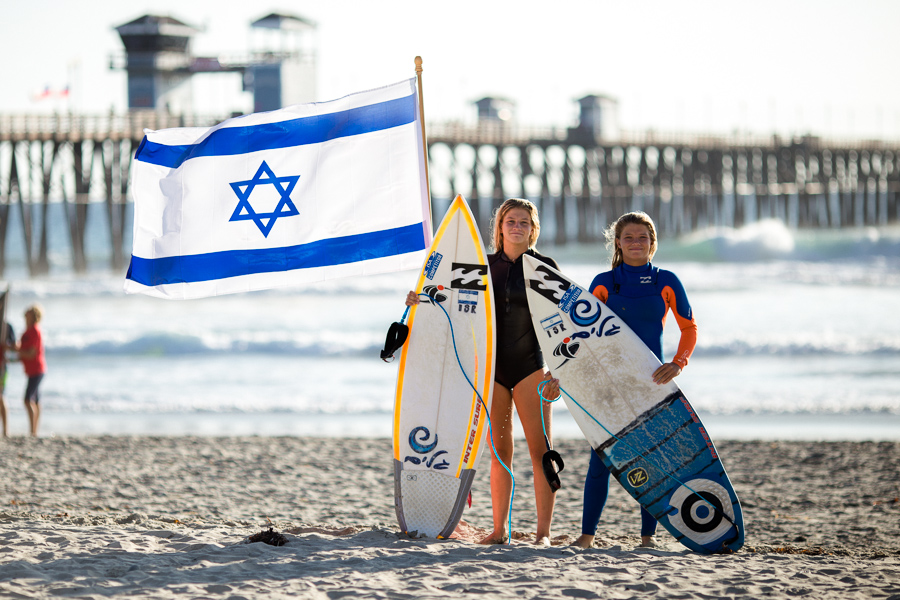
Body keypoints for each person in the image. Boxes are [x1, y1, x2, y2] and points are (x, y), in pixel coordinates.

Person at [405, 198, 560, 545]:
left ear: (533, 230)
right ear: (499, 227)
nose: (517, 227)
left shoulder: (543, 267)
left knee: (541, 451)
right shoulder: (483, 266)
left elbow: (559, 323)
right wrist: (420, 299)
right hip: (492, 370)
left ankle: (543, 534)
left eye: (524, 222)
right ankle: (499, 530)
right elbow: (447, 298)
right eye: (511, 221)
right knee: (499, 452)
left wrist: (559, 373)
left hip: (531, 368)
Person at [573, 211, 697, 549]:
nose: (635, 243)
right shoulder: (604, 282)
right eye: (628, 237)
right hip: (609, 381)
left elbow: (689, 328)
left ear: (653, 243)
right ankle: (586, 536)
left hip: (652, 382)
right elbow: (582, 335)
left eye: (642, 237)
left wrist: (678, 363)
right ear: (618, 242)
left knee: (652, 457)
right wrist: (563, 374)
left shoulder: (666, 281)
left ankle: (647, 538)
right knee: (600, 458)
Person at [16, 305, 46, 437]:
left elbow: (31, 354)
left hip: (37, 369)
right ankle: (34, 431)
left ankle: (33, 431)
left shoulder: (35, 331)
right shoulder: (26, 332)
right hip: (31, 370)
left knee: (28, 400)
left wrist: (17, 350)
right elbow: (22, 352)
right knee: (36, 400)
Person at [0, 319, 15, 437]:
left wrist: (6, 346)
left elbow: (15, 345)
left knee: (1, 395)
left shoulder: (6, 326)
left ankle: (6, 430)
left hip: (2, 366)